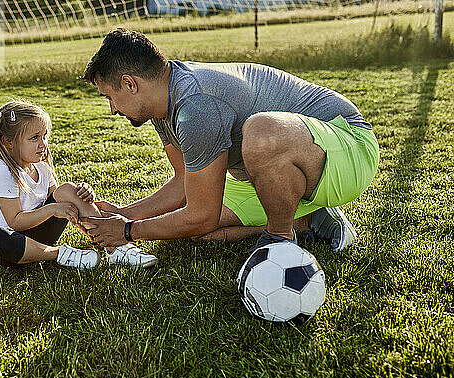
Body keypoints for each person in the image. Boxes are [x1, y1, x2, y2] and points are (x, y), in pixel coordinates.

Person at [80, 28, 379, 253]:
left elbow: (202, 214)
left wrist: (129, 231)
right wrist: (122, 214)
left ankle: (279, 240)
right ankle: (309, 220)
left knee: (260, 132)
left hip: (348, 147)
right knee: (190, 230)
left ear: (130, 84)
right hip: (280, 166)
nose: (113, 109)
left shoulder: (196, 104)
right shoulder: (161, 103)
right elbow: (185, 182)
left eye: (110, 97)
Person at [0, 100, 158, 269]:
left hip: (41, 233)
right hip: (16, 244)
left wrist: (80, 195)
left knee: (66, 189)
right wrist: (52, 209)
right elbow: (16, 222)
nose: (43, 144)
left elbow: (58, 197)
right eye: (34, 138)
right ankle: (60, 254)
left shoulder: (42, 167)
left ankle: (115, 246)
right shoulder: (4, 172)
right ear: (8, 142)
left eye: (44, 136)